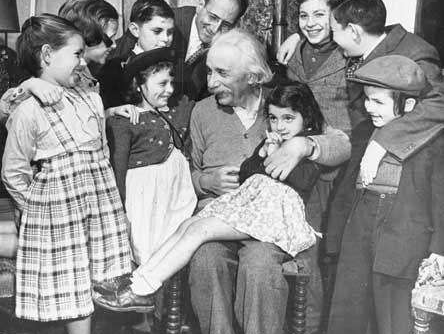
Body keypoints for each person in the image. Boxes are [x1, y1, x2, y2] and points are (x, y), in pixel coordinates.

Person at [122, 28, 346, 334]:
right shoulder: (202, 111)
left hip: (269, 224)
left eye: (222, 73)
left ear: (254, 76)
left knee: (259, 265)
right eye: (210, 71)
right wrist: (205, 180)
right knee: (206, 257)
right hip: (219, 210)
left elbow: (340, 144)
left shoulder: (283, 104)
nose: (211, 82)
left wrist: (304, 145)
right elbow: (183, 173)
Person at [93, 82, 323, 308]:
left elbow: (304, 180)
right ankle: (135, 280)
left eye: (288, 118)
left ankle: (144, 289)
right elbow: (247, 174)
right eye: (273, 118)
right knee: (190, 224)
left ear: (306, 118)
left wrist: (276, 155)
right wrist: (262, 153)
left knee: (200, 231)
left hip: (274, 219)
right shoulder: (272, 140)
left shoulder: (305, 146)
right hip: (252, 209)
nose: (279, 125)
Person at [1, 14, 132, 334]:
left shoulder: (90, 98)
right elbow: (13, 171)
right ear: (47, 54)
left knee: (97, 279)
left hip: (98, 205)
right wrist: (39, 208)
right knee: (70, 284)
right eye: (75, 53)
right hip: (56, 214)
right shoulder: (28, 110)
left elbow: (101, 151)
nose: (82, 60)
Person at [322, 55, 444, 334]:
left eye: (377, 102)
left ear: (408, 106)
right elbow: (348, 190)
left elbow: (440, 200)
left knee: (395, 325)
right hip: (360, 230)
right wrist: (336, 238)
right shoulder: (367, 132)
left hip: (402, 238)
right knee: (344, 317)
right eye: (366, 100)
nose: (368, 108)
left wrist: (438, 250)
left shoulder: (434, 141)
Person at [282, 0, 351, 334]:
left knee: (319, 252)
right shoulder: (295, 52)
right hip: (295, 167)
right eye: (303, 15)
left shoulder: (348, 55)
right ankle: (293, 332)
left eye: (319, 15)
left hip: (333, 168)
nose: (309, 23)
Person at [329, 0, 444, 185]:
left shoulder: (415, 52)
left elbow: (439, 103)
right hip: (359, 152)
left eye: (333, 32)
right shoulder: (361, 47)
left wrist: (382, 142)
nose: (332, 40)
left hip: (399, 164)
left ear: (353, 31)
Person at [105, 47, 196, 284]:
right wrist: (120, 208)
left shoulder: (175, 112)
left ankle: (166, 312)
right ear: (138, 84)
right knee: (146, 252)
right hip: (144, 197)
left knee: (173, 251)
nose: (170, 90)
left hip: (174, 195)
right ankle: (145, 316)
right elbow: (118, 167)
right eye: (162, 84)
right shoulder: (125, 120)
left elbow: (188, 105)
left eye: (171, 83)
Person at [0, 0, 137, 122]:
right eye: (109, 38)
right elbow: (7, 112)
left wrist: (110, 113)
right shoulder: (55, 72)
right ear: (87, 34)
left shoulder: (87, 76)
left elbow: (79, 122)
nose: (114, 45)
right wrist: (28, 86)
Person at [112, 0, 249, 100]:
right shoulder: (165, 23)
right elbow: (115, 65)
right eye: (213, 17)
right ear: (201, 5)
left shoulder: (225, 46)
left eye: (225, 25)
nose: (214, 29)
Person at [99, 0, 175, 110]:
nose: (165, 38)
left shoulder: (176, 67)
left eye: (170, 32)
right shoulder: (114, 70)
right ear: (135, 30)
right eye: (157, 31)